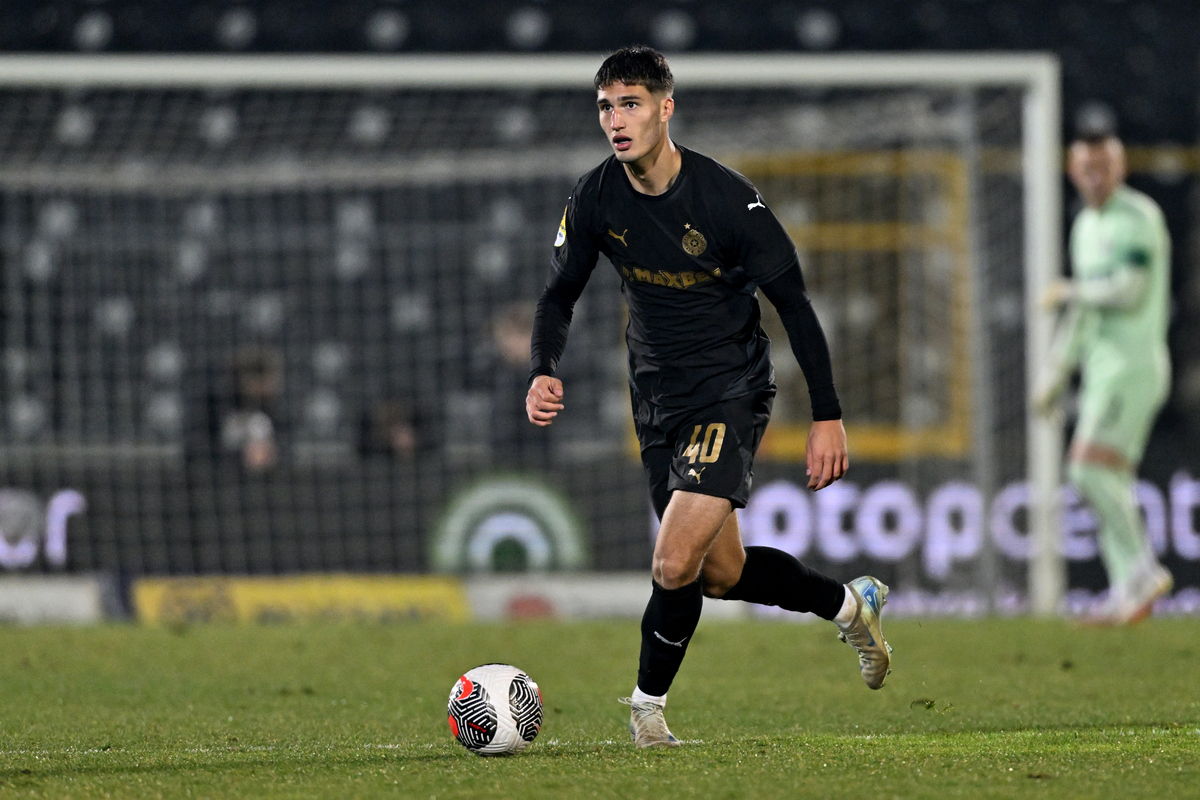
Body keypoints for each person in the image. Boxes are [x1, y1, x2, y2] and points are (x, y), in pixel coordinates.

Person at [525, 46, 892, 748]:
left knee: (671, 563)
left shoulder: (728, 201)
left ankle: (645, 712)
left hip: (729, 393)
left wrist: (828, 414)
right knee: (721, 573)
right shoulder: (597, 195)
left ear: (666, 107)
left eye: (630, 104)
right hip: (656, 402)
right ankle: (851, 605)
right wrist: (544, 367)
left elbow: (797, 306)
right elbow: (557, 297)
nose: (615, 120)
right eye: (605, 106)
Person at [1033, 120, 1173, 625]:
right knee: (1109, 478)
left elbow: (1129, 291)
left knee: (1086, 469)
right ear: (1072, 170)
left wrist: (1071, 289)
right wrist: (1054, 372)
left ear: (1121, 167)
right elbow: (1086, 314)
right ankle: (1126, 594)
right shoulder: (1084, 227)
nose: (1096, 176)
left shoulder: (1138, 216)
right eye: (1087, 167)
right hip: (1100, 372)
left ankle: (1142, 569)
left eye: (1105, 166)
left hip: (1133, 369)